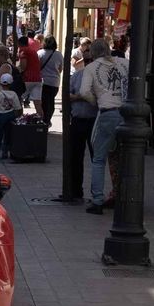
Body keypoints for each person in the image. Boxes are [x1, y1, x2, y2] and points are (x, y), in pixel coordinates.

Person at [77, 38, 127, 215]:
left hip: (108, 113)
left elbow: (84, 92)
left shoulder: (90, 68)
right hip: (128, 114)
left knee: (98, 159)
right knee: (126, 158)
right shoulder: (124, 63)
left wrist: (96, 101)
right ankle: (125, 196)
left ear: (93, 52)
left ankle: (97, 200)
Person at [62, 50, 98, 203]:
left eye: (92, 60)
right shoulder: (77, 76)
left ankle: (97, 194)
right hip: (77, 120)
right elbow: (67, 95)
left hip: (95, 122)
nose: (89, 63)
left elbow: (100, 98)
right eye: (87, 60)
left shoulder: (99, 78)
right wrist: (81, 97)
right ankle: (76, 190)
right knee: (75, 157)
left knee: (97, 159)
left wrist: (82, 97)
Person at [0, 73, 20, 159]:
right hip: (11, 115)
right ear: (11, 83)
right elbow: (17, 107)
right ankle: (5, 151)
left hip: (2, 115)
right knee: (8, 134)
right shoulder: (14, 94)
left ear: (1, 83)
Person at [37, 35, 61, 124]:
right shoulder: (58, 54)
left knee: (43, 102)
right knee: (51, 101)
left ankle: (44, 120)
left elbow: (37, 67)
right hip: (54, 82)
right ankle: (47, 119)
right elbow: (60, 69)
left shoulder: (40, 53)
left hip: (43, 81)